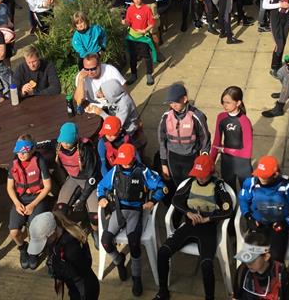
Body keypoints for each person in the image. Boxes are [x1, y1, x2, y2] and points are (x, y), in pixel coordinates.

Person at [153, 154, 234, 300]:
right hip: (189, 225)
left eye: (203, 175)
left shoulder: (217, 185)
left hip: (207, 228)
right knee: (163, 252)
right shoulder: (191, 182)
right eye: (198, 175)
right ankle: (163, 291)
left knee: (207, 265)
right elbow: (176, 199)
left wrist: (208, 219)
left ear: (211, 173)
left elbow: (228, 210)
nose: (200, 178)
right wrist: (188, 213)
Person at [97, 143, 166, 296]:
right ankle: (119, 261)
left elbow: (161, 186)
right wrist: (101, 197)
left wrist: (153, 201)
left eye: (127, 160)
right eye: (122, 160)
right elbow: (101, 186)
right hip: (119, 210)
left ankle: (136, 277)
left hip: (136, 210)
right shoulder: (116, 170)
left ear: (133, 158)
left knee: (134, 242)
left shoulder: (143, 171)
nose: (124, 164)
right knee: (106, 241)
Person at [238, 155, 289, 262]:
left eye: (265, 176)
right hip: (258, 225)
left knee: (276, 258)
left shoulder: (287, 188)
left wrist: (286, 223)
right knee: (251, 258)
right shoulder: (251, 183)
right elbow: (243, 200)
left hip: (278, 227)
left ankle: (276, 276)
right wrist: (248, 217)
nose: (261, 178)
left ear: (275, 174)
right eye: (259, 175)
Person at [27, 211, 99, 300]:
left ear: (53, 233)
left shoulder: (71, 249)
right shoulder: (57, 236)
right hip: (75, 286)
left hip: (84, 290)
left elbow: (77, 272)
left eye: (44, 242)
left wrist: (57, 269)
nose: (45, 246)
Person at [7, 135, 53, 270]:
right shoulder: (14, 164)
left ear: (32, 150)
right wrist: (16, 202)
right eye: (19, 151)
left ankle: (34, 251)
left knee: (35, 229)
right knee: (14, 231)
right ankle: (22, 248)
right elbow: (10, 187)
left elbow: (48, 186)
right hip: (20, 199)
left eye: (25, 151)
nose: (21, 154)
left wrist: (33, 204)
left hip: (36, 199)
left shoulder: (39, 161)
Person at [158, 83, 211, 187]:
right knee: (177, 183)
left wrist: (204, 155)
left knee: (191, 183)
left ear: (185, 99)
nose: (173, 105)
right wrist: (164, 163)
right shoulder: (166, 117)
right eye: (171, 102)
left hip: (191, 157)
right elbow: (162, 141)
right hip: (172, 157)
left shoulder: (197, 117)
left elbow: (205, 138)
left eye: (176, 102)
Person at [54, 122, 101, 229]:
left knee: (95, 217)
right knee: (60, 210)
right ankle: (73, 230)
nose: (64, 143)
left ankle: (95, 232)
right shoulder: (58, 145)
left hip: (88, 181)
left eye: (68, 141)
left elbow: (92, 178)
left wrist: (82, 199)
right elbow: (45, 143)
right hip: (72, 178)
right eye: (63, 140)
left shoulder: (85, 149)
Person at [209, 86, 253, 193]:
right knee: (229, 194)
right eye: (223, 102)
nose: (225, 105)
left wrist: (224, 150)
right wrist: (210, 163)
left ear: (238, 103)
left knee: (246, 194)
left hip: (243, 165)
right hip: (227, 163)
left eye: (228, 102)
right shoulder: (221, 117)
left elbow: (246, 153)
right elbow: (216, 142)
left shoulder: (245, 121)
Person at [232, 231, 289, 300]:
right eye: (246, 258)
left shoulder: (282, 275)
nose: (248, 264)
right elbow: (236, 297)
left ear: (266, 256)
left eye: (252, 260)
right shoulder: (242, 271)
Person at [123, 0, 157, 86]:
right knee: (132, 57)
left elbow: (152, 23)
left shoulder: (146, 9)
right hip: (132, 37)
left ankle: (149, 74)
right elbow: (129, 22)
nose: (136, 0)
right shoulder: (130, 9)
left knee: (146, 56)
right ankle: (134, 74)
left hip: (142, 37)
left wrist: (145, 30)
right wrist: (125, 23)